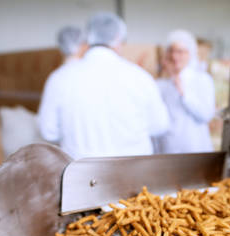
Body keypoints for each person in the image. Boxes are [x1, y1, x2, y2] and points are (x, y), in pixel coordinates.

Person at [37, 13, 170, 159]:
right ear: (118, 39)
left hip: (79, 176)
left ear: (87, 37)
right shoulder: (141, 77)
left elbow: (48, 131)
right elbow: (160, 126)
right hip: (135, 174)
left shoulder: (59, 78)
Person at [155, 30, 215, 154]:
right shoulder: (161, 84)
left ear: (190, 54)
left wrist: (183, 93)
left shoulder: (202, 79)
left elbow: (206, 115)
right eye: (171, 51)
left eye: (180, 52)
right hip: (168, 149)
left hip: (195, 148)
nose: (174, 56)